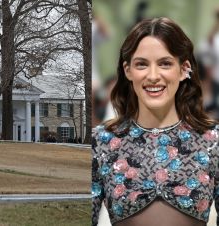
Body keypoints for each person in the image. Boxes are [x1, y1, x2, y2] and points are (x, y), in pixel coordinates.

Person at [92, 17, 219, 226]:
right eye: (142, 64)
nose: (153, 76)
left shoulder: (212, 140)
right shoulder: (101, 141)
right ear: (128, 70)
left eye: (165, 63)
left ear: (183, 69)